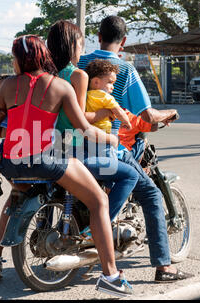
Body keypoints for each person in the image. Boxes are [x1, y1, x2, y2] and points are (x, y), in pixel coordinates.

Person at [0, 34, 133, 297]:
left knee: (16, 196)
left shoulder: (7, 86)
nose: (13, 63)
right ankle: (110, 275)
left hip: (11, 162)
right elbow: (84, 129)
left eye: (14, 58)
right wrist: (111, 137)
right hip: (46, 160)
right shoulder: (60, 86)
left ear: (21, 60)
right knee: (98, 199)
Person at [78, 15, 193, 283]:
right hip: (108, 145)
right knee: (151, 195)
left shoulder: (80, 64)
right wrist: (170, 113)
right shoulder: (124, 70)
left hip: (74, 143)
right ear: (124, 41)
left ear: (98, 36)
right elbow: (149, 116)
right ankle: (164, 267)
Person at [47, 20, 140, 228]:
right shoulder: (78, 75)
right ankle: (98, 229)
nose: (82, 52)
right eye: (81, 46)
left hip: (46, 146)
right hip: (73, 148)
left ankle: (46, 227)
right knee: (130, 175)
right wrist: (110, 136)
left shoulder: (46, 76)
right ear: (72, 46)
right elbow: (79, 120)